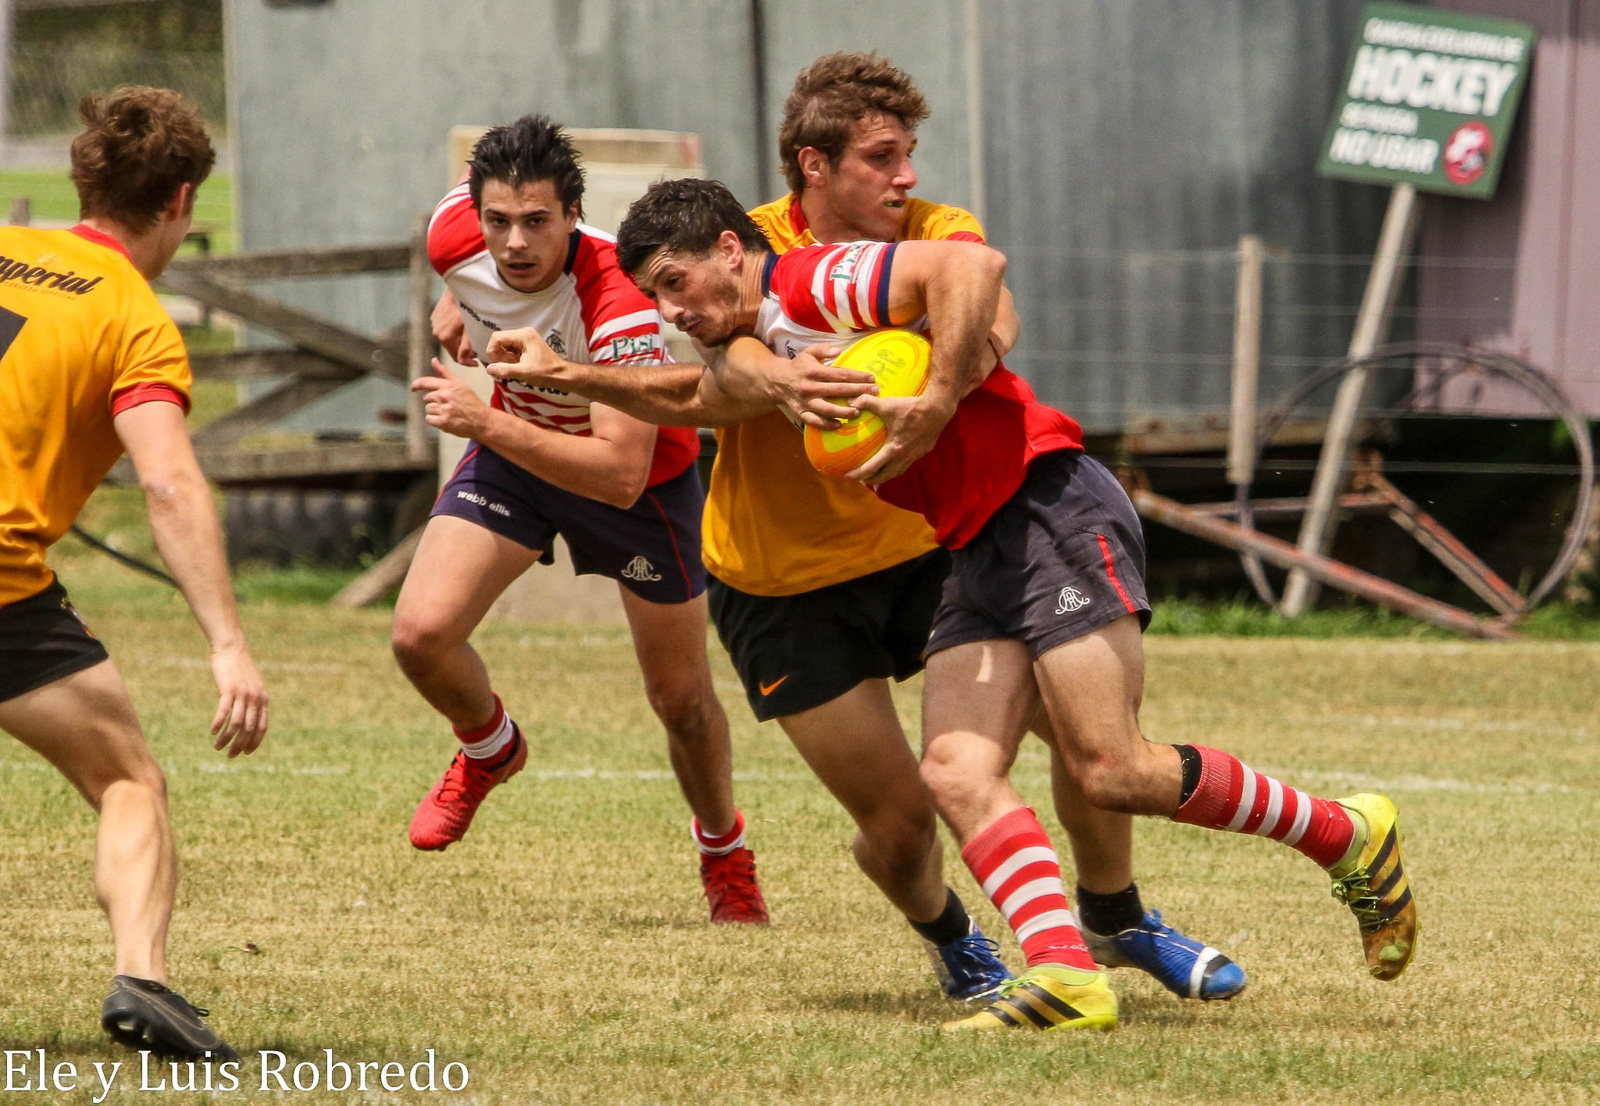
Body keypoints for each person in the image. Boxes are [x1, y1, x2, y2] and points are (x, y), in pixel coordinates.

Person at [494, 176, 1420, 1033]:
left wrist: (937, 398)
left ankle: (1347, 831)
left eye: (678, 282)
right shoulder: (767, 331)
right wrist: (566, 375)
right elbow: (698, 393)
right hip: (975, 543)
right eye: (657, 295)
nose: (673, 310)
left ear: (733, 251)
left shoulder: (818, 281)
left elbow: (972, 266)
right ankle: (1064, 976)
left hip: (1045, 499)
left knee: (1110, 769)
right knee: (956, 771)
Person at [473, 53, 1246, 1006]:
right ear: (815, 166)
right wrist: (766, 367)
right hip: (779, 582)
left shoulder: (929, 231)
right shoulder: (728, 243)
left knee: (1087, 742)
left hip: (926, 555)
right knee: (900, 826)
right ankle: (957, 943)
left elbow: (989, 304)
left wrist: (936, 383)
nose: (905, 178)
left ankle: (1116, 917)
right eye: (882, 158)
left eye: (907, 155)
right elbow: (721, 356)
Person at [394, 115, 766, 924]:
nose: (515, 241)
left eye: (537, 222)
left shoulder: (620, 298)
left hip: (635, 486)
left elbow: (621, 474)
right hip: (522, 459)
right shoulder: (451, 234)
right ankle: (490, 748)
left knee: (681, 701)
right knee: (420, 634)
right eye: (499, 221)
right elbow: (465, 279)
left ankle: (723, 848)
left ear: (574, 216)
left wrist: (483, 420)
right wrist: (455, 308)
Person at [0, 86, 268, 1060]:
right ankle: (142, 978)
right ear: (182, 202)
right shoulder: (133, 316)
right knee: (128, 776)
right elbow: (166, 481)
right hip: (2, 588)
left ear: (82, 178)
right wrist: (229, 644)